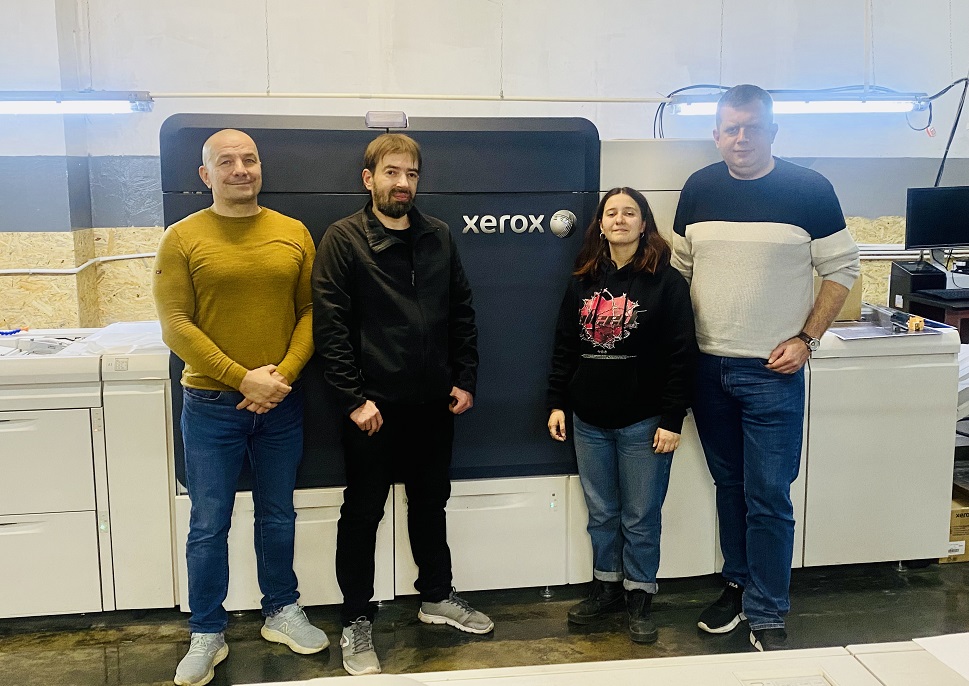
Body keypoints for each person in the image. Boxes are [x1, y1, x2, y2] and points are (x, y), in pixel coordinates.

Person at [670, 85, 860, 652]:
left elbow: (843, 268)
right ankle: (739, 584)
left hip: (772, 373)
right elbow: (678, 273)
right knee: (731, 486)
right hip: (707, 371)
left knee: (769, 493)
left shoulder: (809, 190)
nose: (742, 138)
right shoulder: (699, 188)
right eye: (731, 128)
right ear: (717, 134)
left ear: (773, 131)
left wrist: (807, 338)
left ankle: (770, 612)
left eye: (752, 127)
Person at [312, 133, 493, 677]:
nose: (402, 183)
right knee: (363, 514)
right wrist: (353, 400)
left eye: (411, 174)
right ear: (368, 179)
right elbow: (331, 327)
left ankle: (436, 596)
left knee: (430, 503)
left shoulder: (437, 236)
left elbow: (461, 310)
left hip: (434, 404)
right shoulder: (344, 239)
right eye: (391, 173)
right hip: (373, 410)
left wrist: (464, 378)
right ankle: (355, 620)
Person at [153, 129, 328, 686]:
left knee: (278, 512)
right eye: (225, 162)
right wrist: (242, 378)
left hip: (281, 401)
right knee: (209, 523)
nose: (240, 169)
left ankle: (281, 610)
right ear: (206, 176)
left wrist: (283, 376)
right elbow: (176, 326)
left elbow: (311, 311)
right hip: (210, 405)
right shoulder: (181, 239)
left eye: (249, 159)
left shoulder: (292, 232)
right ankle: (207, 631)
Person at [546, 187, 697, 644]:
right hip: (589, 420)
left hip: (644, 422)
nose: (619, 219)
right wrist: (557, 402)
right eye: (611, 213)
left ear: (644, 223)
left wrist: (673, 419)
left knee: (640, 515)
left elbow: (681, 355)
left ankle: (639, 596)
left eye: (629, 212)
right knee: (601, 513)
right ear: (601, 224)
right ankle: (606, 586)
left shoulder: (667, 283)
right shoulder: (582, 279)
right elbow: (564, 347)